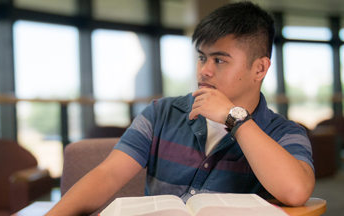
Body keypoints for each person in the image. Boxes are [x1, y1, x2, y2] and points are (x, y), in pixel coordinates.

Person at [46, 1, 315, 215]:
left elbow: (295, 191)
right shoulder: (161, 113)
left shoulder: (283, 132)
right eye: (201, 57)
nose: (204, 71)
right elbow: (108, 174)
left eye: (219, 61)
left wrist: (235, 119)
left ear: (259, 68)